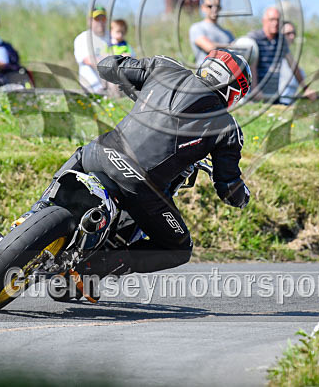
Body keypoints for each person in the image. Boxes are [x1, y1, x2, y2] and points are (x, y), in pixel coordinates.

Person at [31, 49, 252, 286]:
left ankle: (35, 211)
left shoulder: (165, 68)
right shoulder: (227, 128)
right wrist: (242, 198)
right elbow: (228, 187)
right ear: (234, 90)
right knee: (179, 248)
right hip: (139, 185)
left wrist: (133, 84)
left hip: (99, 154)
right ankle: (91, 271)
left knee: (83, 152)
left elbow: (108, 66)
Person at [247, 6, 316, 101]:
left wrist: (306, 89)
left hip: (273, 95)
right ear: (264, 21)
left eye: (277, 20)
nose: (275, 23)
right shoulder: (253, 38)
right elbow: (251, 64)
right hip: (254, 95)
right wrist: (254, 89)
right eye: (271, 20)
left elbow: (293, 65)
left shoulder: (281, 41)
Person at [189, 0, 234, 65]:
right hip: (205, 74)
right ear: (203, 7)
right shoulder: (197, 27)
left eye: (217, 6)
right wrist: (232, 46)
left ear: (220, 8)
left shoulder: (228, 33)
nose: (214, 9)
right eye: (210, 6)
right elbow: (209, 47)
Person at [74, 6, 110, 94]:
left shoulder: (113, 37)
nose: (100, 22)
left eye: (103, 19)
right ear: (90, 21)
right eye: (97, 19)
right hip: (92, 88)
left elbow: (128, 54)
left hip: (111, 88)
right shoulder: (82, 38)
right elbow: (89, 60)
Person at [278, 21, 306, 105]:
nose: (292, 36)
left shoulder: (291, 59)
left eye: (294, 33)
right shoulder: (273, 59)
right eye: (288, 33)